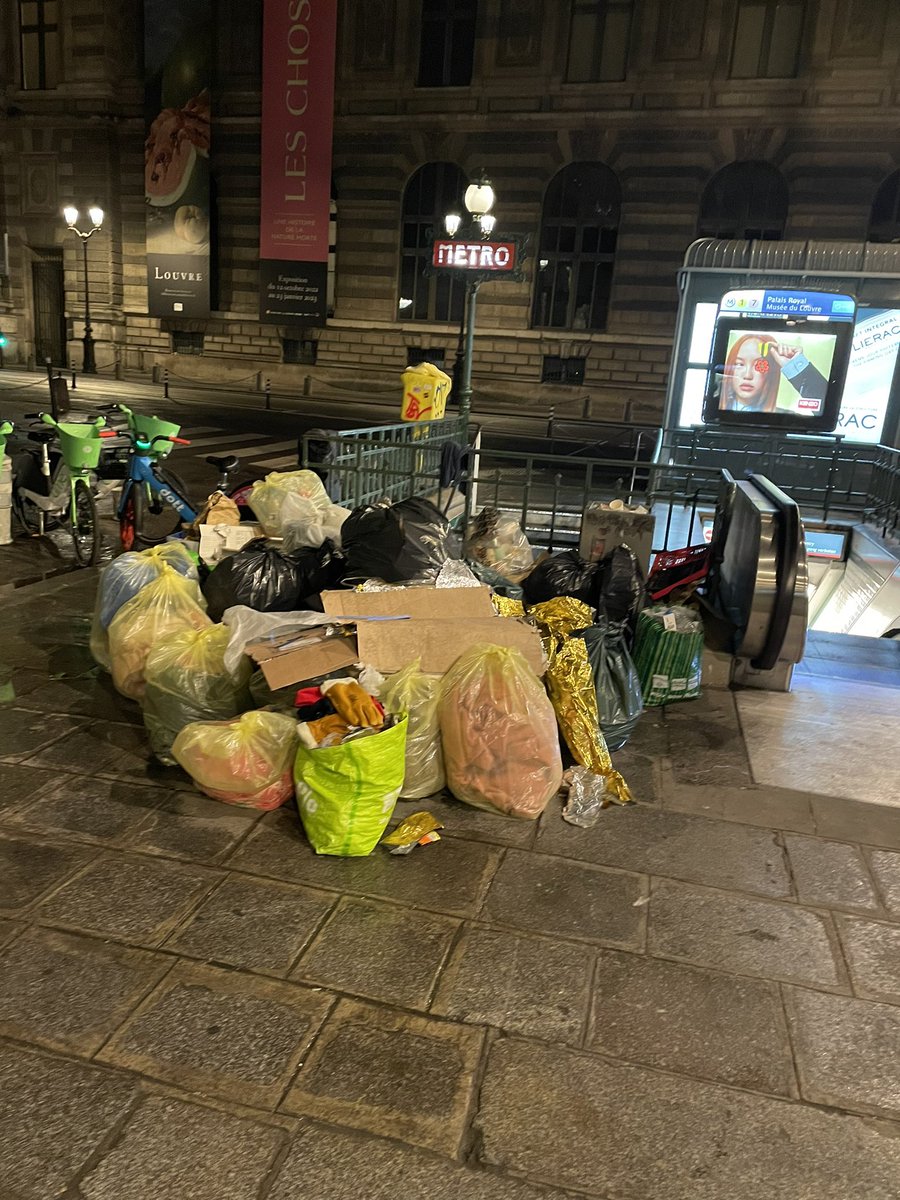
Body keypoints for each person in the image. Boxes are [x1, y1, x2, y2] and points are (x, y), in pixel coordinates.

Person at [720, 334, 828, 413]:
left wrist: (794, 365)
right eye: (739, 364)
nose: (747, 375)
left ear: (770, 373)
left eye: (759, 365)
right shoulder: (709, 406)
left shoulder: (787, 418)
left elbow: (828, 410)